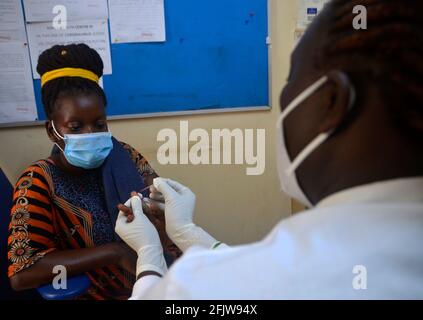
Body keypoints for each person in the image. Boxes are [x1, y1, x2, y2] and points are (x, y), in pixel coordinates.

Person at [115, 0, 423, 299]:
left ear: (331, 101)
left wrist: (149, 258)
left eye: (290, 79)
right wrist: (187, 232)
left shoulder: (197, 286)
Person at [7, 44, 180, 300]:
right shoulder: (38, 181)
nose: (91, 135)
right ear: (51, 130)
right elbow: (23, 273)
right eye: (75, 127)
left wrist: (161, 210)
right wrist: (115, 253)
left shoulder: (125, 155)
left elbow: (164, 216)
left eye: (99, 124)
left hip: (161, 279)